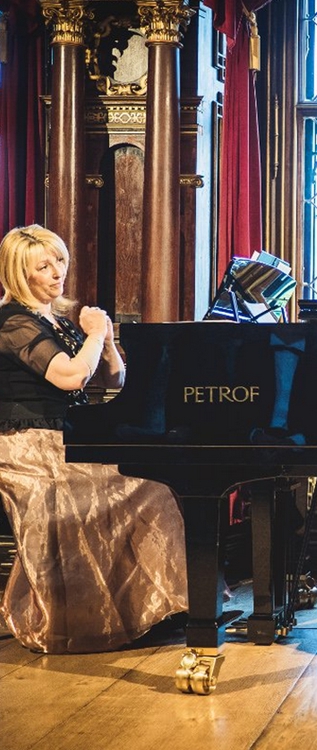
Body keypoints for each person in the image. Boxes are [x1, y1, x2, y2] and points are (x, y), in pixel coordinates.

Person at [0, 224, 188, 654]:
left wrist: (104, 341)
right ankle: (85, 619)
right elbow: (70, 377)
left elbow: (112, 377)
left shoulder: (56, 321)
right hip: (25, 446)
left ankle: (156, 607)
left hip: (62, 440)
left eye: (59, 261)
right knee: (140, 487)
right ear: (18, 273)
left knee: (152, 483)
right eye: (43, 266)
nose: (57, 272)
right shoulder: (13, 324)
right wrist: (96, 335)